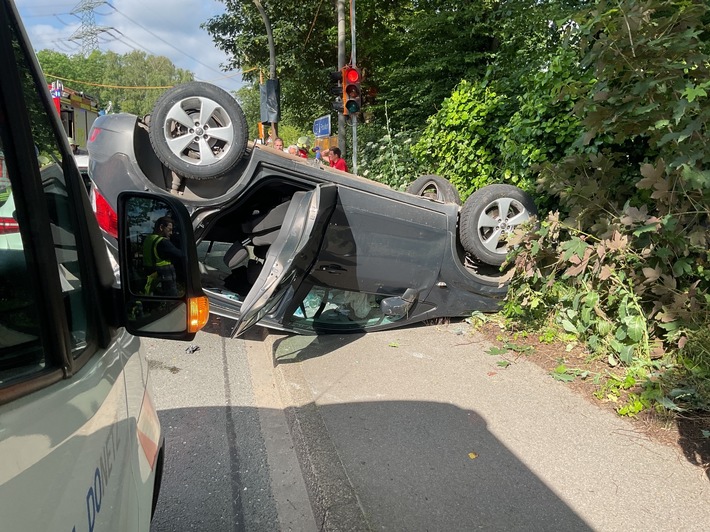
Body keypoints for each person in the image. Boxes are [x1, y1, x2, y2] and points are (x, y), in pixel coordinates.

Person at [143, 216, 183, 296]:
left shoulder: (148, 239)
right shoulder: (163, 242)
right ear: (161, 227)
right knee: (172, 300)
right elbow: (181, 255)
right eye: (169, 230)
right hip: (164, 276)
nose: (171, 233)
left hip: (150, 276)